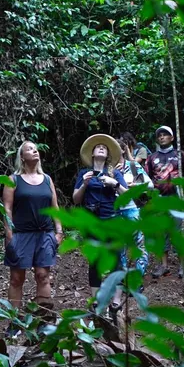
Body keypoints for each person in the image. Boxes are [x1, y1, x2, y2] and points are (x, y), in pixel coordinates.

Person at [2, 141, 62, 336]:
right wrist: (9, 234)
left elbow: (54, 206)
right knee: (17, 278)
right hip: (21, 234)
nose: (35, 150)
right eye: (30, 148)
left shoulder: (47, 179)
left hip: (44, 233)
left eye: (36, 148)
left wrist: (59, 230)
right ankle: (15, 322)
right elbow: (7, 209)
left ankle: (44, 321)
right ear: (22, 156)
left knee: (43, 276)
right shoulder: (13, 179)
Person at [72, 134, 129, 314]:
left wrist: (114, 183)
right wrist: (85, 184)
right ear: (93, 153)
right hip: (92, 223)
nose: (101, 148)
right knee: (94, 262)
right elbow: (75, 199)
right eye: (98, 147)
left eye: (104, 147)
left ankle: (116, 301)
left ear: (108, 154)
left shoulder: (115, 173)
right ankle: (96, 301)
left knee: (115, 260)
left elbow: (127, 196)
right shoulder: (84, 173)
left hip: (112, 220)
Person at [144, 125, 184, 278]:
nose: (162, 137)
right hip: (159, 199)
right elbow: (146, 179)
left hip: (176, 199)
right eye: (159, 135)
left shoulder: (180, 155)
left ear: (172, 137)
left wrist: (181, 182)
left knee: (179, 232)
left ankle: (182, 266)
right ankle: (163, 266)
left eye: (165, 134)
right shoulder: (151, 158)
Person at [115, 133, 154, 279]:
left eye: (116, 148)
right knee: (120, 247)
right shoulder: (108, 169)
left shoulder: (133, 166)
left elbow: (150, 185)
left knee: (140, 245)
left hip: (134, 209)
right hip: (115, 212)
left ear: (123, 150)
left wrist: (135, 185)